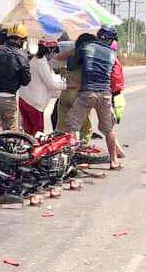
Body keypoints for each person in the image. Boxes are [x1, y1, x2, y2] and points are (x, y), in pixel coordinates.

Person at [64, 26, 121, 170]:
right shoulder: (113, 54)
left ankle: (72, 160)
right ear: (110, 40)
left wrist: (73, 54)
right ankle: (114, 161)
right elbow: (114, 76)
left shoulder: (86, 47)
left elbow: (70, 66)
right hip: (105, 94)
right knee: (108, 129)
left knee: (72, 126)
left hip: (87, 93)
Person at [0, 24, 31, 138]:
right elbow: (26, 81)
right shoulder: (22, 56)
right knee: (10, 133)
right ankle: (7, 155)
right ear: (22, 40)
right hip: (8, 99)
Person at [19, 40, 66, 136]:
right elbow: (51, 85)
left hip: (24, 99)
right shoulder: (42, 63)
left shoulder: (33, 59)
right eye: (55, 52)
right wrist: (67, 85)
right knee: (38, 134)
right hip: (34, 104)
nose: (54, 56)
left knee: (28, 135)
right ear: (50, 51)